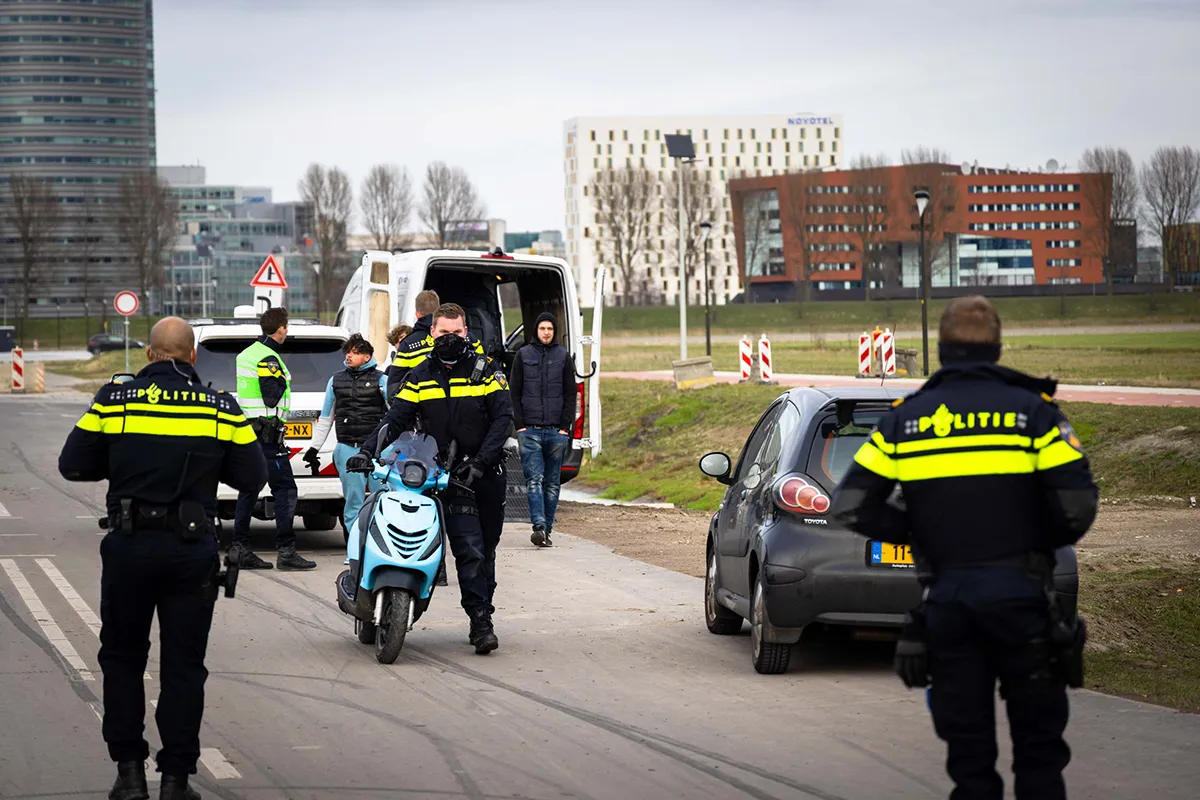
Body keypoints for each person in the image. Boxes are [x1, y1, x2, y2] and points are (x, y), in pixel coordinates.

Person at [829, 296, 1098, 800]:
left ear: (941, 349)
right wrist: (1031, 543)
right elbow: (1078, 506)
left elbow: (849, 507)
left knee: (970, 764)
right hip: (1023, 601)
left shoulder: (906, 420)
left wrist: (920, 533)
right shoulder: (1034, 413)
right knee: (1040, 756)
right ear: (997, 348)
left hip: (949, 603)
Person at [58, 317, 268, 800]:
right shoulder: (221, 408)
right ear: (192, 356)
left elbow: (73, 465)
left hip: (129, 548)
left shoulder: (114, 401)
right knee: (184, 666)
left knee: (122, 659)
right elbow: (252, 477)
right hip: (190, 553)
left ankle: (130, 774)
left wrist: (122, 460)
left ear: (150, 354)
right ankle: (176, 780)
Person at [352, 303, 512, 655]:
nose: (449, 338)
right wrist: (366, 450)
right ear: (432, 333)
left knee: (486, 551)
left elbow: (503, 420)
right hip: (445, 475)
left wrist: (481, 463)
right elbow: (395, 418)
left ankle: (483, 608)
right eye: (443, 332)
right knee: (469, 549)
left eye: (456, 332)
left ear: (466, 333)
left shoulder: (486, 371)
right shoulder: (421, 374)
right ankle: (480, 623)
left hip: (485, 472)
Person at [231, 307, 316, 571]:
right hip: (267, 436)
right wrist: (281, 378)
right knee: (285, 490)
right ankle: (286, 551)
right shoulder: (268, 357)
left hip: (252, 434)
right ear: (281, 329)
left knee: (249, 491)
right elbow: (271, 397)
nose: (287, 331)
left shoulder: (248, 353)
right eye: (286, 327)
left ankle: (241, 549)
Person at [303, 333, 389, 539]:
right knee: (353, 500)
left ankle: (383, 542)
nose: (349, 356)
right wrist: (314, 448)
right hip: (348, 447)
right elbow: (326, 418)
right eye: (347, 352)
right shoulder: (335, 381)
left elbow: (395, 415)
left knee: (383, 499)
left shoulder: (382, 380)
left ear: (367, 356)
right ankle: (355, 544)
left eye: (355, 352)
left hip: (378, 450)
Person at [510, 311, 575, 547]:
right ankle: (538, 526)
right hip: (530, 431)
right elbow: (514, 392)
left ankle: (547, 529)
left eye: (550, 329)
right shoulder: (523, 355)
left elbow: (570, 393)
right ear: (536, 331)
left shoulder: (563, 356)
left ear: (554, 332)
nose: (546, 332)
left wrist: (565, 427)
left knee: (552, 483)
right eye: (542, 328)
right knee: (534, 479)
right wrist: (520, 426)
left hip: (556, 431)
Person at [385, 289, 441, 399]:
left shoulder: (408, 344)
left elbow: (393, 389)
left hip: (421, 404)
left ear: (417, 314)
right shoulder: (460, 337)